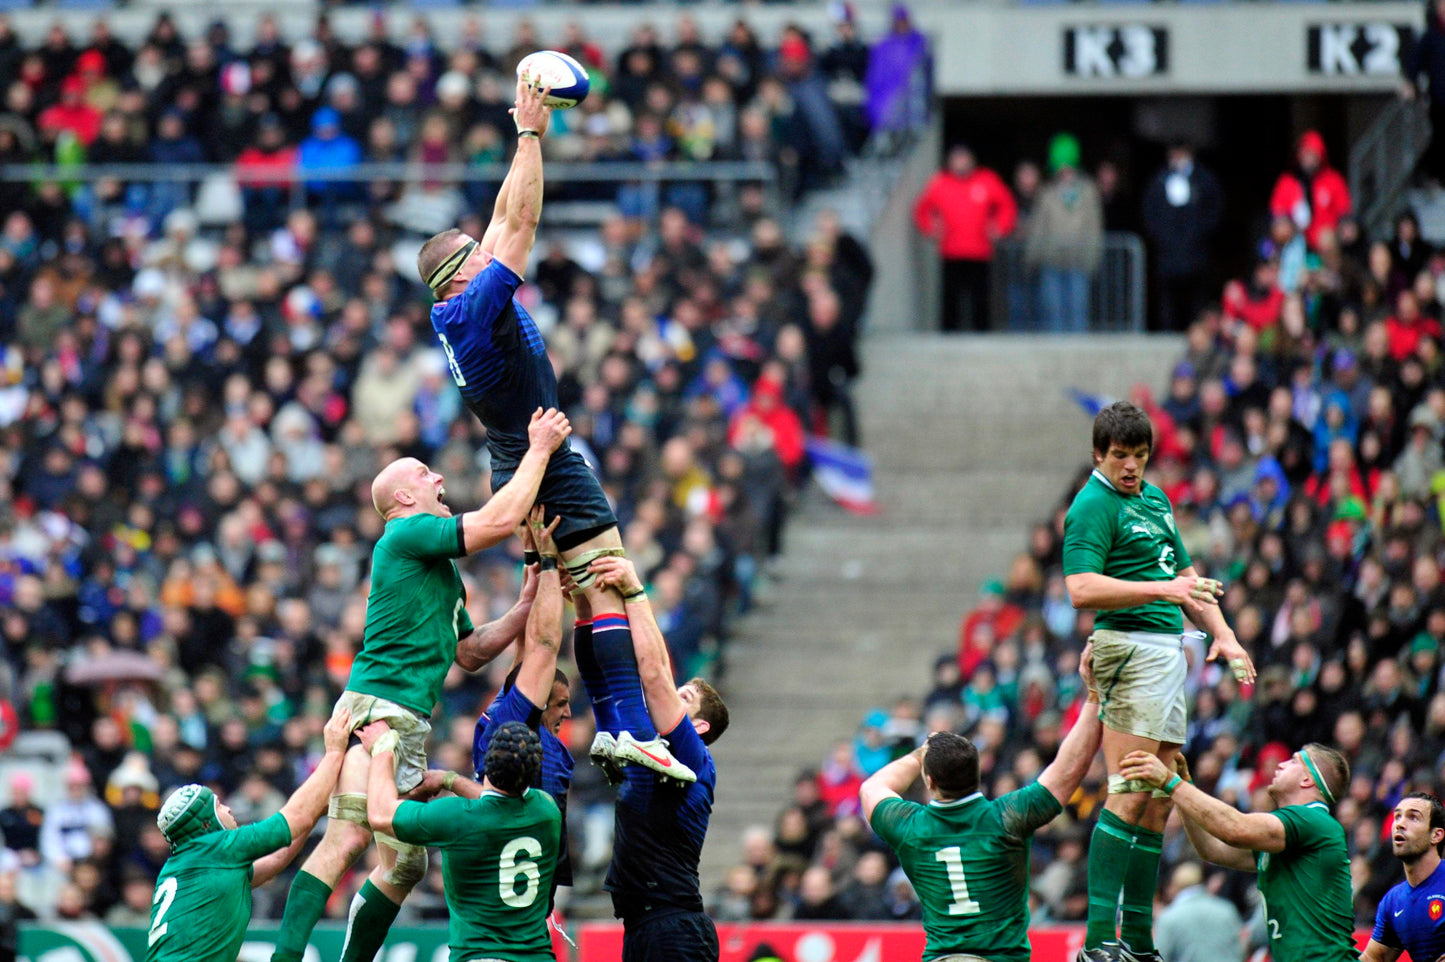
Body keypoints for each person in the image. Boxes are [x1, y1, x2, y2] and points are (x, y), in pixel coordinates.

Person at [414, 74, 689, 784]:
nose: (490, 252)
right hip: (541, 457)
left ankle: (624, 728)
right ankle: (626, 727)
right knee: (605, 583)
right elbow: (523, 229)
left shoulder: (459, 303)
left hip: (527, 455)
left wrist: (520, 134)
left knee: (593, 584)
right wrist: (534, 136)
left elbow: (505, 220)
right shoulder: (471, 309)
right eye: (475, 256)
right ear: (455, 279)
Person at [269, 412, 571, 962]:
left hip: (407, 715)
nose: (439, 479)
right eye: (427, 473)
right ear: (405, 497)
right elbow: (498, 521)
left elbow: (469, 651)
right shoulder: (405, 534)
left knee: (406, 865)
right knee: (349, 837)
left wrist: (524, 606)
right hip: (378, 707)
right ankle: (284, 956)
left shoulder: (438, 566)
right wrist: (540, 450)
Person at [1063, 400, 1257, 962]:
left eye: (1140, 456)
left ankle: (1141, 942)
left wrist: (1224, 634)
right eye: (1120, 456)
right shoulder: (1092, 505)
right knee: (1127, 790)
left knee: (1156, 803)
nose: (1131, 467)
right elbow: (1080, 588)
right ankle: (1099, 940)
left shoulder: (1153, 498)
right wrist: (1161, 592)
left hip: (1170, 652)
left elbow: (1184, 576)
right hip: (1129, 649)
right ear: (1100, 454)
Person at [857, 645, 1103, 962]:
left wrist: (923, 753)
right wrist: (1094, 696)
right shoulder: (1007, 818)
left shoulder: (909, 826)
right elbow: (1068, 770)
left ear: (929, 781)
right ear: (978, 772)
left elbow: (872, 787)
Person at [586, 555, 731, 962]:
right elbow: (599, 680)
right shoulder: (647, 750)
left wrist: (635, 590)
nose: (671, 694)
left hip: (675, 928)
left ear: (699, 727)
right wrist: (584, 602)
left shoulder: (693, 754)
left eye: (685, 697)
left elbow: (653, 675)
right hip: (645, 928)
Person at [144, 709, 352, 962]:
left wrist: (317, 809)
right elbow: (295, 818)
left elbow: (276, 860)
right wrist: (333, 753)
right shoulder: (216, 848)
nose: (229, 808)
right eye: (219, 805)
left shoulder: (185, 865)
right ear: (206, 823)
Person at [1119, 744, 1355, 962]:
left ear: (1306, 780)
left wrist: (1171, 783)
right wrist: (1183, 787)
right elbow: (1212, 849)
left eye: (1293, 761)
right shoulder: (1294, 836)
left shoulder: (1313, 820)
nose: (1281, 764)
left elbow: (1235, 828)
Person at [362, 719, 561, 962]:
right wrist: (450, 779)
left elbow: (380, 815)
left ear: (487, 764)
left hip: (480, 955)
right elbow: (500, 801)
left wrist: (382, 750)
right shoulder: (547, 811)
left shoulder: (457, 817)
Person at [472, 506, 576, 892]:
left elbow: (523, 645)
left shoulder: (503, 708)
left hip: (511, 859)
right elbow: (544, 645)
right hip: (529, 871)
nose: (567, 711)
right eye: (559, 702)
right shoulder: (519, 720)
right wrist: (550, 563)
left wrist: (532, 557)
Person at [913, 144, 1018, 332]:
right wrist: (931, 228)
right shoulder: (940, 183)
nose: (960, 162)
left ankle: (982, 337)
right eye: (956, 158)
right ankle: (948, 338)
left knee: (980, 299)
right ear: (950, 162)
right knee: (950, 299)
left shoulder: (987, 180)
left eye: (964, 158)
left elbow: (1007, 205)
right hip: (951, 252)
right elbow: (921, 210)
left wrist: (1000, 227)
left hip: (980, 253)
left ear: (971, 160)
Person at [1140, 143, 1224, 332]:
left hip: (1195, 252)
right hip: (1168, 253)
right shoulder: (1160, 179)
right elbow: (1149, 212)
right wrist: (1162, 238)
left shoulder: (1204, 179)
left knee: (1196, 299)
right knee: (1168, 300)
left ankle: (1197, 334)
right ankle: (1168, 333)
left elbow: (1215, 210)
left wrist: (1199, 234)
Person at [1025, 133, 1103, 333]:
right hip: (1051, 259)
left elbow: (1093, 225)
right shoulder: (1047, 192)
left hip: (1078, 259)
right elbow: (1038, 226)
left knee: (1078, 308)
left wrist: (1092, 256)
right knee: (1052, 310)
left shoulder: (1087, 191)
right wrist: (1031, 256)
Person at [1360, 792, 1445, 962]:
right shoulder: (1394, 901)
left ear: (1436, 835)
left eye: (1413, 817)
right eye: (1397, 817)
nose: (1399, 824)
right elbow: (1375, 958)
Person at [1268, 130, 1350, 252]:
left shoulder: (1333, 179)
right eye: (1306, 153)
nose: (1309, 159)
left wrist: (1342, 228)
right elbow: (1277, 213)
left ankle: (1330, 269)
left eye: (1313, 154)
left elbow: (1344, 212)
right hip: (1295, 238)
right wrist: (1287, 225)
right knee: (1280, 231)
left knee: (1328, 237)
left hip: (1325, 239)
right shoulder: (1287, 181)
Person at [1153, 862, 1243, 962]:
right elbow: (1239, 949)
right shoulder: (1227, 910)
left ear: (1174, 886)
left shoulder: (1169, 917)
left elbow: (1160, 956)